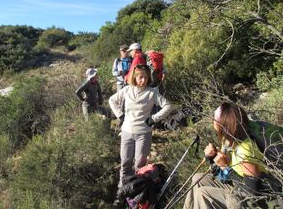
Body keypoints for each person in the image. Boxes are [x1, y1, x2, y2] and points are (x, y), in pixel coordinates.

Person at [183, 102, 275, 209]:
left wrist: (225, 168)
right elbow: (221, 171)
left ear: (223, 124)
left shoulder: (245, 151)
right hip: (237, 185)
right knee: (197, 178)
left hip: (250, 198)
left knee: (203, 194)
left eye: (215, 119)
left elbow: (253, 192)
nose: (213, 121)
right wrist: (212, 158)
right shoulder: (228, 141)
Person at [109, 64, 173, 207]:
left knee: (139, 166)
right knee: (125, 163)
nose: (143, 80)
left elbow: (168, 106)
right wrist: (120, 115)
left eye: (145, 77)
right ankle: (121, 194)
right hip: (127, 132)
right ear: (134, 77)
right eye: (140, 77)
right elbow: (112, 100)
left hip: (144, 133)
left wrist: (154, 118)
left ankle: (137, 197)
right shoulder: (127, 90)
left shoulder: (152, 92)